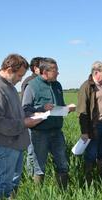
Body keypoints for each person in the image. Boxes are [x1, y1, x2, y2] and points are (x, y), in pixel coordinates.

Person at [0, 54, 42, 200]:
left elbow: (15, 113)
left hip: (16, 141)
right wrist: (25, 122)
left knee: (14, 179)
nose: (21, 79)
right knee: (4, 181)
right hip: (6, 143)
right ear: (9, 70)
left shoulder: (8, 86)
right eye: (20, 75)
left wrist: (32, 115)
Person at [23, 58, 75, 189]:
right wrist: (41, 109)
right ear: (45, 71)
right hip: (39, 133)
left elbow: (60, 106)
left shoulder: (57, 85)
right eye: (55, 70)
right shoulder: (32, 86)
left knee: (63, 163)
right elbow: (25, 110)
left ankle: (63, 193)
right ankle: (38, 196)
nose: (58, 73)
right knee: (39, 166)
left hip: (57, 132)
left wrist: (68, 108)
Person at [20, 57, 44, 179]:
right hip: (31, 121)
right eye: (43, 66)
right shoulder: (30, 82)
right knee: (31, 151)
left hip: (39, 120)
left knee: (34, 152)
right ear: (36, 69)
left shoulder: (42, 81)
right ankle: (30, 177)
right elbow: (26, 105)